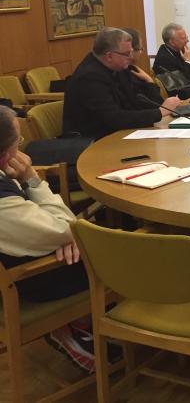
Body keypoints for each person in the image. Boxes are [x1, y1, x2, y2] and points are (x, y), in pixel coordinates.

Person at [0, 106, 98, 372]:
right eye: (18, 142)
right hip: (32, 281)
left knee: (86, 237)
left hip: (29, 247)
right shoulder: (3, 203)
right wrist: (31, 179)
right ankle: (77, 327)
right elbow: (67, 227)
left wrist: (67, 234)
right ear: (6, 155)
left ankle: (81, 325)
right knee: (114, 251)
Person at [63, 28, 180, 140]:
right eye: (127, 53)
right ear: (109, 56)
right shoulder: (89, 77)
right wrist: (160, 112)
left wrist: (150, 85)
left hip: (118, 134)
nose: (130, 57)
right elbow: (113, 118)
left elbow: (135, 104)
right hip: (92, 141)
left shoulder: (118, 68)